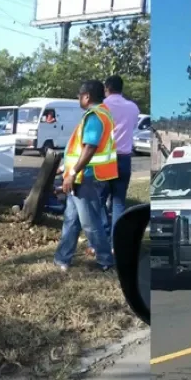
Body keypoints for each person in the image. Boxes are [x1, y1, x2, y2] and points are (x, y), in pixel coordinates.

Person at [53, 80, 118, 271]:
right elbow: (79, 148)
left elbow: (90, 147)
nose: (78, 100)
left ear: (87, 96)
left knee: (90, 222)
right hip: (83, 176)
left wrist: (72, 173)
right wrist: (65, 168)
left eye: (79, 96)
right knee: (71, 219)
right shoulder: (102, 113)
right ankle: (62, 258)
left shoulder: (94, 116)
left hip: (86, 177)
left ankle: (105, 260)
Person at [99, 75, 140, 243]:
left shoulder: (102, 107)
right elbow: (133, 126)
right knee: (118, 201)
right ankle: (116, 242)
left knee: (99, 200)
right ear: (121, 88)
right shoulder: (133, 107)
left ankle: (104, 233)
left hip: (106, 158)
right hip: (124, 158)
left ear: (106, 88)